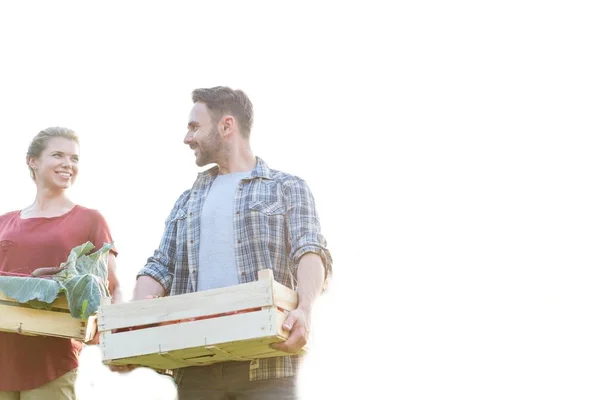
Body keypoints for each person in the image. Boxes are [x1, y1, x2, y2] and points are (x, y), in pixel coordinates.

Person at [131, 86, 333, 399]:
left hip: (268, 364)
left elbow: (309, 249)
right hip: (197, 368)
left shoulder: (286, 187)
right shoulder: (187, 201)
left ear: (227, 126)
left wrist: (305, 309)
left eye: (194, 127)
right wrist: (137, 315)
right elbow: (160, 266)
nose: (187, 138)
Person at [0, 127, 122, 400]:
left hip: (52, 360)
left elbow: (112, 287)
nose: (68, 164)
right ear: (33, 160)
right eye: (58, 155)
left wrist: (112, 335)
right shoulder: (4, 222)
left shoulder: (90, 220)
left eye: (74, 158)